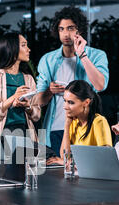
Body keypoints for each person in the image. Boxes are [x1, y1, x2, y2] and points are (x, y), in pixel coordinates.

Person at [35, 6, 109, 156]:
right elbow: (38, 101)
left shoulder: (97, 55)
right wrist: (50, 91)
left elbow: (100, 85)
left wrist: (82, 54)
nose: (65, 34)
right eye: (61, 29)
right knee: (55, 176)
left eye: (70, 28)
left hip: (84, 128)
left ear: (79, 30)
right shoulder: (48, 60)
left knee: (82, 173)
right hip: (55, 129)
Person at [0, 32, 41, 141]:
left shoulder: (29, 79)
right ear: (12, 49)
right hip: (3, 134)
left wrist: (28, 106)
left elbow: (36, 116)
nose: (28, 49)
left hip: (26, 133)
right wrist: (12, 99)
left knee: (46, 156)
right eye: (23, 45)